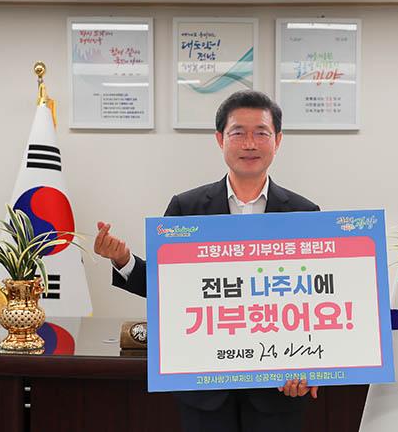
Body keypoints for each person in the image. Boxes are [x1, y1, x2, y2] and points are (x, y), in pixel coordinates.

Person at [94, 90, 320, 432]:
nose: (249, 143)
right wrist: (123, 259)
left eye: (261, 132)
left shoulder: (305, 213)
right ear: (219, 139)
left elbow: (316, 300)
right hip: (205, 389)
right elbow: (166, 288)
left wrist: (313, 366)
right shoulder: (187, 208)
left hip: (279, 388)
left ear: (278, 140)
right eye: (238, 132)